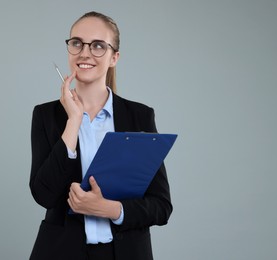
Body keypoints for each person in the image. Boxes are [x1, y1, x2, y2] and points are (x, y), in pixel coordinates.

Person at [29, 11, 172, 260]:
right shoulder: (46, 115)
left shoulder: (140, 116)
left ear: (114, 57)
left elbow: (161, 206)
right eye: (77, 43)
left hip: (125, 253)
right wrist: (73, 121)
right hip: (62, 252)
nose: (85, 53)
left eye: (97, 46)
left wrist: (112, 209)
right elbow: (44, 195)